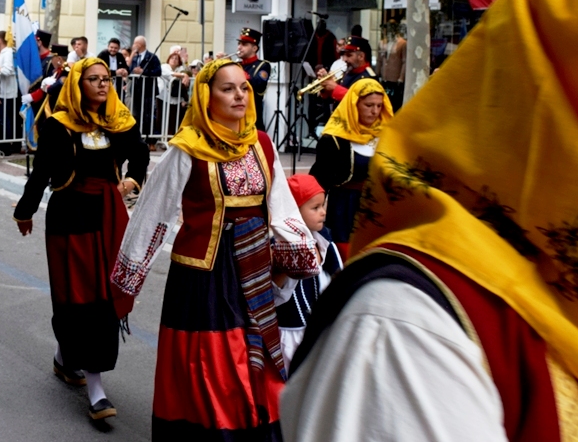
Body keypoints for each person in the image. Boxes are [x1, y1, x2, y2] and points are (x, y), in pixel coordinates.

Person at [282, 0, 578, 442]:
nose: (376, 109)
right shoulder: (411, 329)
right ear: (573, 49)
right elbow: (328, 186)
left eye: (380, 102)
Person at [111, 58, 319, 440]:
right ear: (206, 96)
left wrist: (300, 252)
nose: (239, 95)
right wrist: (128, 279)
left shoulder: (262, 144)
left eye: (243, 87)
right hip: (202, 276)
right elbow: (154, 213)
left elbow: (281, 203)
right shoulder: (187, 149)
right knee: (213, 361)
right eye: (228, 88)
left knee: (254, 354)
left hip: (253, 267)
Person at [15, 57, 148, 420]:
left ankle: (64, 358)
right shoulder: (59, 125)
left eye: (106, 79)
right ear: (77, 84)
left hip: (109, 216)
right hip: (70, 216)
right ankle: (96, 389)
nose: (103, 85)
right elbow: (41, 172)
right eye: (94, 79)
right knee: (80, 296)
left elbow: (140, 153)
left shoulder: (118, 119)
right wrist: (25, 210)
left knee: (103, 293)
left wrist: (134, 179)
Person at [309, 78, 392, 259]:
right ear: (354, 104)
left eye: (379, 106)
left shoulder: (388, 135)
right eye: (369, 105)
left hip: (376, 209)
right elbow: (319, 181)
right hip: (344, 209)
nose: (375, 111)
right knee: (346, 260)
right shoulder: (334, 139)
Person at [274, 174, 343, 374]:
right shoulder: (280, 245)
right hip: (289, 330)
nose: (323, 212)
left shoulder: (325, 240)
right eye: (315, 208)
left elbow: (339, 278)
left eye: (323, 205)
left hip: (317, 328)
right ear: (294, 212)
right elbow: (276, 293)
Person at [318, 35, 376, 105]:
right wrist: (325, 86)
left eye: (349, 55)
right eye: (344, 55)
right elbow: (333, 97)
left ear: (361, 56)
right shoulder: (349, 72)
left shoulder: (369, 77)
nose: (345, 59)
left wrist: (335, 88)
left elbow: (361, 101)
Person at [238, 27, 273, 133]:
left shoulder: (263, 65)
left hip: (253, 119)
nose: (239, 47)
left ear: (254, 48)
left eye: (244, 44)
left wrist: (236, 73)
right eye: (239, 43)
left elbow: (258, 85)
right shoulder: (237, 65)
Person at [129, 36, 161, 142]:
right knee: (136, 115)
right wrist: (132, 55)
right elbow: (128, 69)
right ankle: (137, 138)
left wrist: (143, 72)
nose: (133, 45)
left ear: (140, 44)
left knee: (148, 115)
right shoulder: (134, 57)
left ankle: (150, 140)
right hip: (136, 90)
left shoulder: (152, 57)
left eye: (135, 43)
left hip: (148, 91)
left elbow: (158, 71)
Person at [0, 31, 21, 152]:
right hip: (3, 91)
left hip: (8, 92)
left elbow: (7, 70)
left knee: (7, 120)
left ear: (0, 39)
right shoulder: (4, 52)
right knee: (3, 119)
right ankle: (6, 144)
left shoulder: (8, 52)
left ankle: (8, 145)